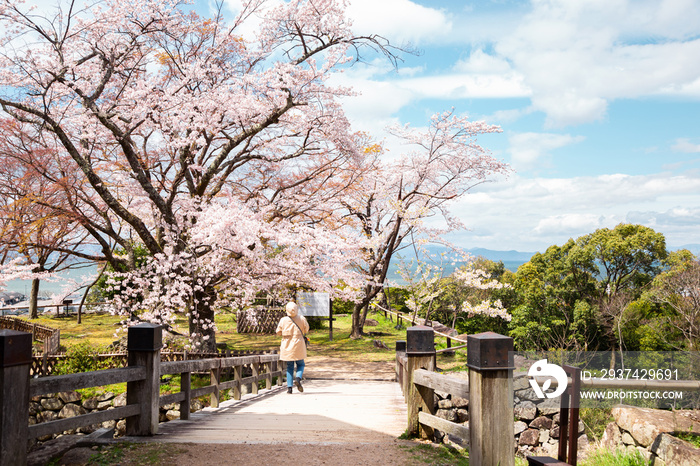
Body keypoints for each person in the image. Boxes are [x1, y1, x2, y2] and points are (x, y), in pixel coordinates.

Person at [276, 301, 310, 394]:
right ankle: (298, 379)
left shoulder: (283, 320)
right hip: (298, 343)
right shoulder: (301, 318)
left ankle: (289, 388)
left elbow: (278, 331)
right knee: (301, 364)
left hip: (287, 345)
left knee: (289, 366)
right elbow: (306, 329)